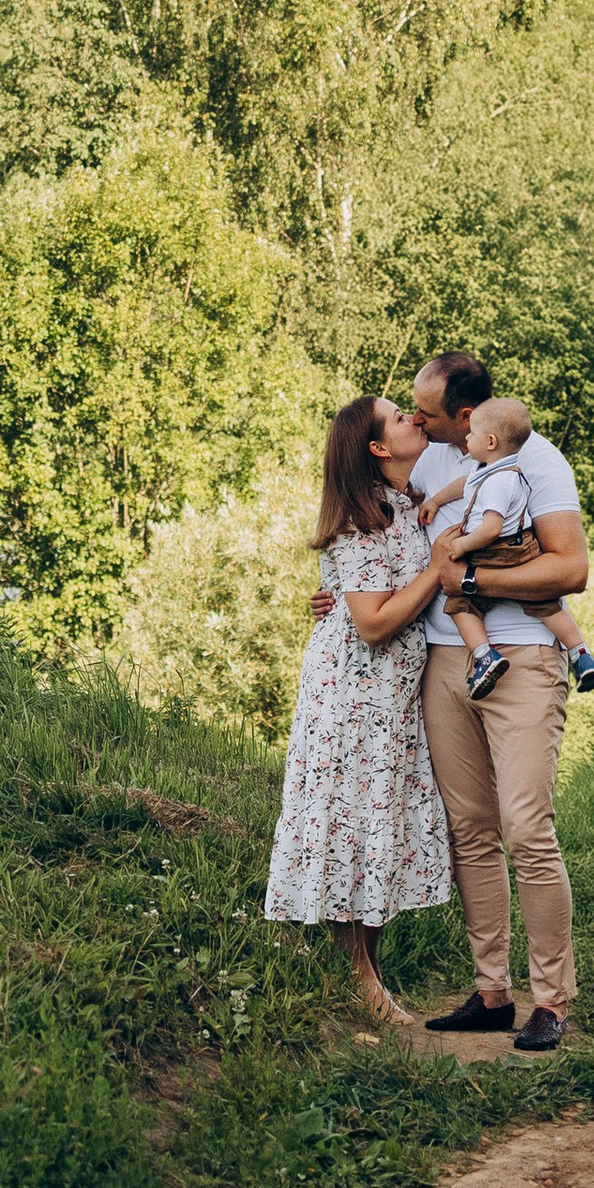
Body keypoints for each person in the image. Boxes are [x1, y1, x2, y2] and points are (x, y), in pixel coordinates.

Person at [409, 349, 588, 1056]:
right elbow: (385, 539)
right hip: (444, 659)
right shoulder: (430, 460)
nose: (415, 423)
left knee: (527, 830)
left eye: (425, 413)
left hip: (521, 660)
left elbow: (570, 567)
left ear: (464, 418)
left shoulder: (536, 462)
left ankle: (550, 1000)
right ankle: (491, 993)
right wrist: (337, 597)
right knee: (471, 830)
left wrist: (472, 577)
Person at [263, 393, 456, 1028]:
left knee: (379, 832)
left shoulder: (405, 502)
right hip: (352, 700)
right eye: (399, 417)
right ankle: (362, 984)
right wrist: (435, 569)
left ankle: (369, 977)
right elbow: (373, 624)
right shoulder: (357, 522)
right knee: (353, 826)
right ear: (376, 448)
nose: (413, 419)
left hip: (391, 701)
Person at [447, 395, 594, 700]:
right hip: (524, 546)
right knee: (546, 606)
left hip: (497, 551)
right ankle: (581, 654)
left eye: (472, 433)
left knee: (460, 604)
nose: (466, 437)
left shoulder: (496, 483)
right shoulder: (501, 469)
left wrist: (460, 545)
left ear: (490, 441)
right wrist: (437, 500)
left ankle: (484, 657)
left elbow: (491, 529)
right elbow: (466, 482)